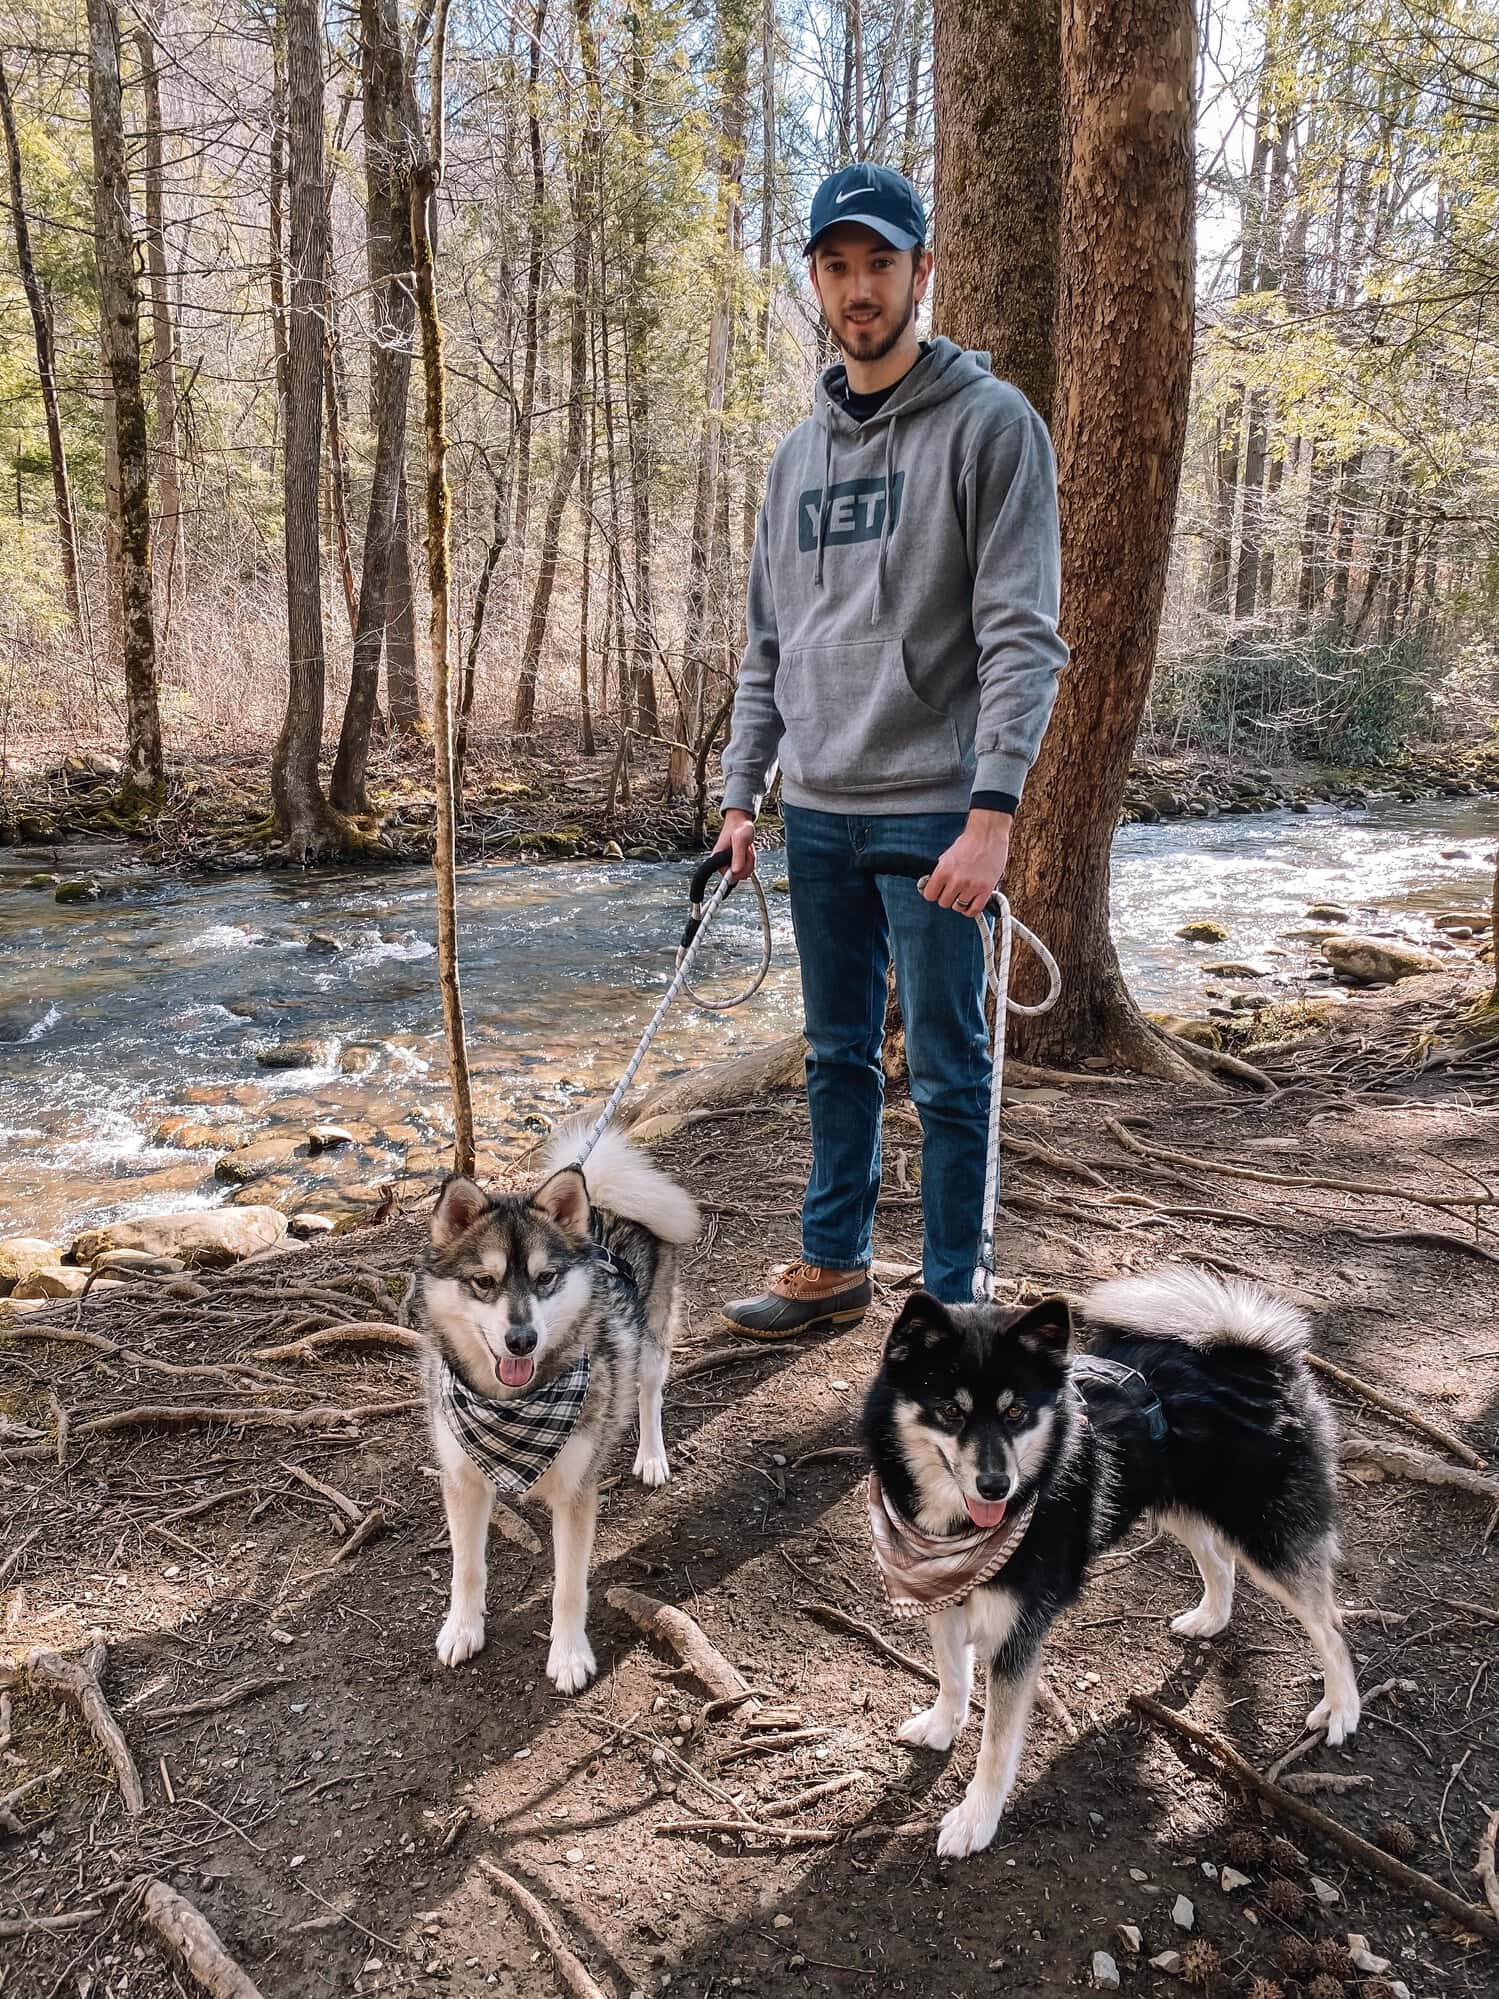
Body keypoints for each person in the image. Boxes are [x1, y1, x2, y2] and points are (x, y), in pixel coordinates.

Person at [714, 161, 1068, 1337]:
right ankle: (832, 1262)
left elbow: (1023, 636)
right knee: (833, 1054)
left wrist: (992, 812)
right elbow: (768, 643)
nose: (857, 288)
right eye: (835, 265)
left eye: (879, 263)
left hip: (934, 811)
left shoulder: (991, 427)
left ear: (923, 272)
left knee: (950, 1068)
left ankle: (956, 1297)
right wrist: (738, 797)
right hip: (813, 805)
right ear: (813, 280)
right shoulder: (791, 460)